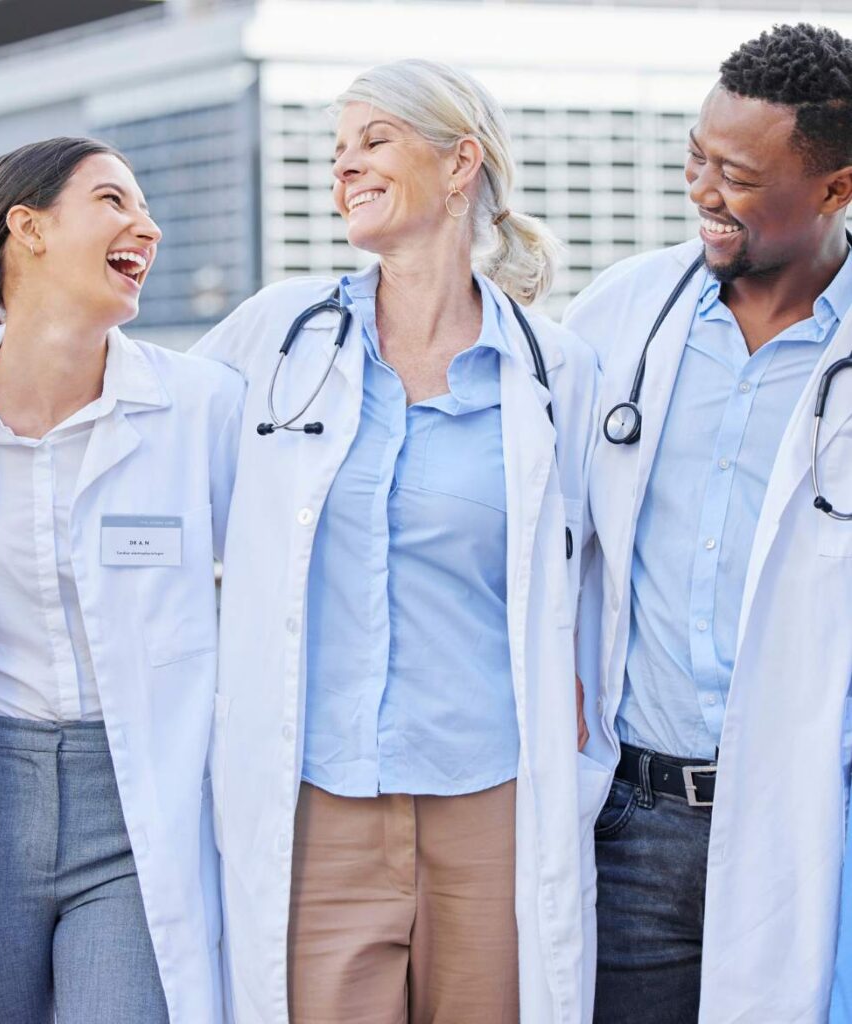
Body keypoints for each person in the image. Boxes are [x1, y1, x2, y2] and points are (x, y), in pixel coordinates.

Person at [193, 59, 603, 1024]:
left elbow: (601, 573)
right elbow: (147, 449)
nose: (345, 167)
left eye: (373, 140)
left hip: (493, 797)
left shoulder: (556, 370)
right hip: (321, 797)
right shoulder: (278, 335)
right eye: (338, 151)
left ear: (461, 164)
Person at [565, 22, 852, 1024]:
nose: (701, 190)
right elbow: (543, 533)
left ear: (834, 189)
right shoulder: (618, 317)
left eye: (735, 171)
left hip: (808, 819)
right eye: (696, 156)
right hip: (631, 823)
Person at [0, 137, 243, 1024]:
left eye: (145, 209)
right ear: (26, 228)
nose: (145, 227)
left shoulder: (201, 407)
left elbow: (287, 589)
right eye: (114, 201)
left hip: (134, 802)